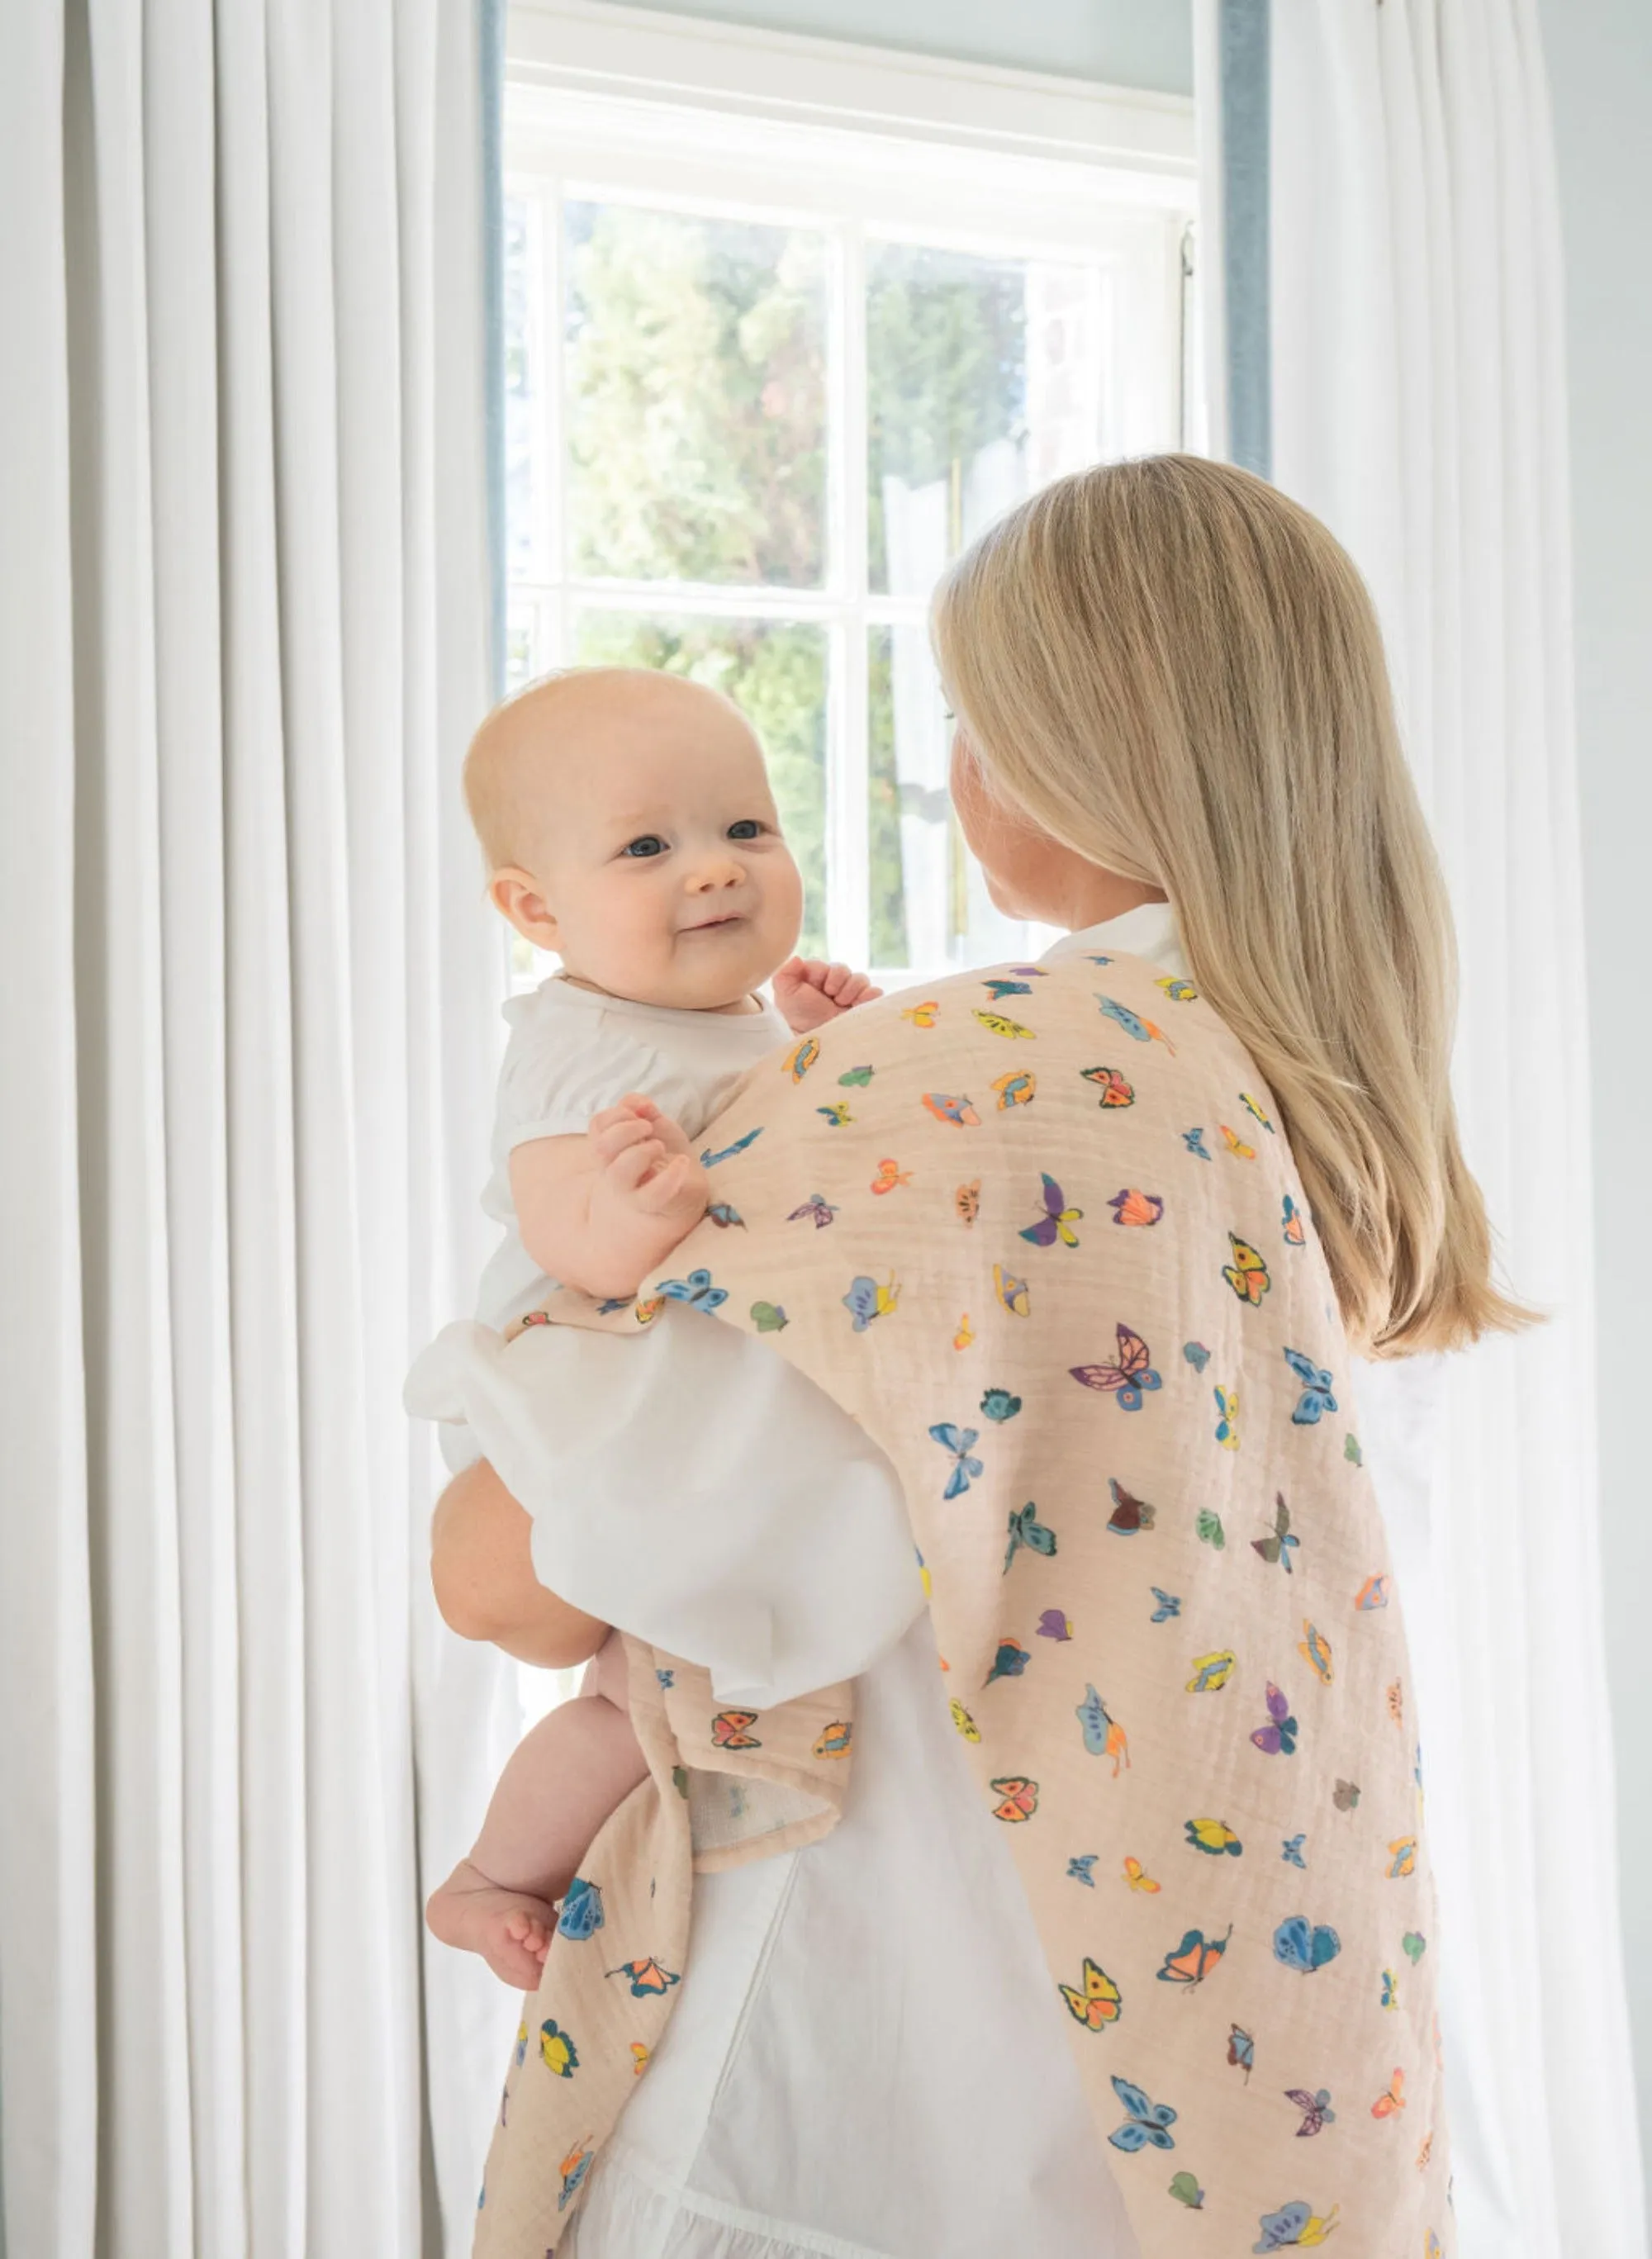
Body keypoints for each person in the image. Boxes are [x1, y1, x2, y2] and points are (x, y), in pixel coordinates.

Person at [420, 455, 1525, 2258]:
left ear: (1058, 744)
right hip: (1216, 2024)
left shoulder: (973, 1078)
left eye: (966, 712)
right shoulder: (1330, 1103)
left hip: (866, 2047)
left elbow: (528, 1579)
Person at [424, 666, 881, 1989]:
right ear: (535, 908)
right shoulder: (581, 1041)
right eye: (648, 846)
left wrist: (823, 1047)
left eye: (747, 829)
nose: (715, 871)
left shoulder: (736, 1025)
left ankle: (508, 1875)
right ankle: (490, 1874)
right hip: (570, 1419)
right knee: (619, 1691)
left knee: (638, 1705)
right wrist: (632, 1211)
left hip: (682, 1434)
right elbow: (564, 1227)